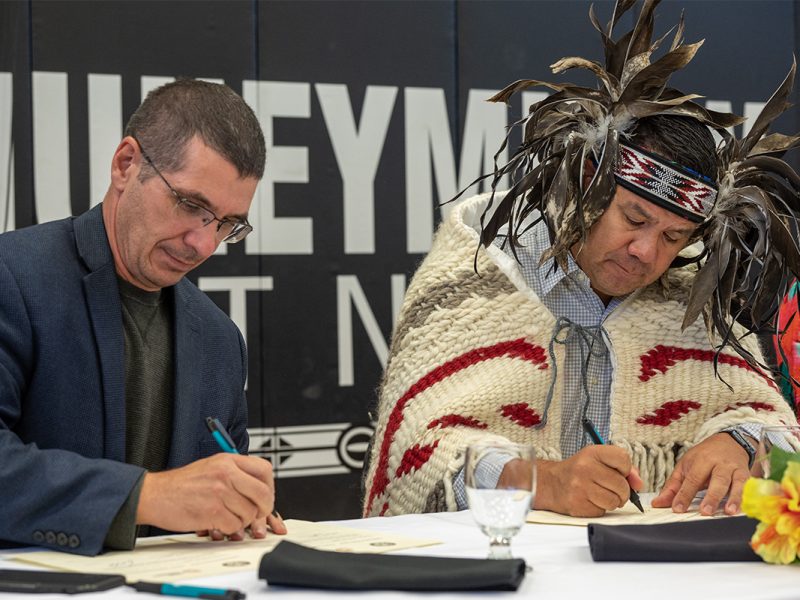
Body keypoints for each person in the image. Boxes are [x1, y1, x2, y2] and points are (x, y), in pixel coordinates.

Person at [363, 0, 800, 520]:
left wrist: (739, 440)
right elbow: (414, 448)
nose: (647, 252)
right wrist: (540, 481)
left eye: (674, 236)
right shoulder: (474, 278)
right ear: (588, 180)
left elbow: (768, 418)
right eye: (634, 218)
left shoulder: (690, 295)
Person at [0, 79, 286, 556]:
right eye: (191, 205)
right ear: (126, 164)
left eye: (228, 225)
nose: (204, 244)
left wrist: (239, 508)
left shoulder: (220, 339)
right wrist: (149, 497)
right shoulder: (13, 277)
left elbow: (220, 493)